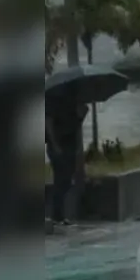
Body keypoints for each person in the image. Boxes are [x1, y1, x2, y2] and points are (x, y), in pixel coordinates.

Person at [46, 95, 87, 225]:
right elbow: (49, 123)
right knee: (61, 179)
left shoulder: (73, 104)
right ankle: (56, 215)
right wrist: (55, 144)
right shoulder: (53, 103)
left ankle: (58, 215)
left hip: (70, 146)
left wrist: (82, 115)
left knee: (67, 180)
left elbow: (75, 125)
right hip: (58, 146)